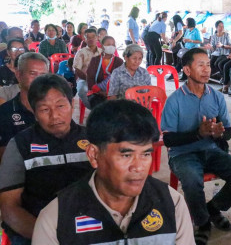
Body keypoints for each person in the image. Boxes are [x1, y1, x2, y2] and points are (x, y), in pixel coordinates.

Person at [32, 99, 195, 244]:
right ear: (94, 155)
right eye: (126, 155)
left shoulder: (172, 204)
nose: (138, 167)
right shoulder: (56, 219)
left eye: (146, 154)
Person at [161, 48, 231, 245]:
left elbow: (228, 131)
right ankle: (203, 222)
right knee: (191, 180)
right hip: (183, 154)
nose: (207, 69)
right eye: (200, 64)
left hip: (211, 150)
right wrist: (198, 133)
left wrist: (219, 133)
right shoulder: (174, 101)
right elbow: (169, 141)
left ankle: (213, 208)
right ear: (187, 70)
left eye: (208, 64)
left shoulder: (216, 97)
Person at [0, 74, 93, 244]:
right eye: (44, 109)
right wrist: (50, 238)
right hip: (36, 228)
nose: (55, 115)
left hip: (90, 226)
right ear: (34, 113)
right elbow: (9, 208)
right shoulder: (20, 145)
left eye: (61, 106)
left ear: (72, 105)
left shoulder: (93, 139)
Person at [0, 52, 49, 160]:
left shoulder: (55, 109)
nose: (38, 79)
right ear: (18, 75)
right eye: (32, 73)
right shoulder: (5, 112)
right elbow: (5, 157)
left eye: (42, 75)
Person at [87, 36, 123, 108]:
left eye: (113, 45)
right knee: (98, 103)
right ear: (102, 47)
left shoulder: (119, 61)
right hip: (97, 92)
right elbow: (90, 79)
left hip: (114, 93)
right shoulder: (95, 60)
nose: (111, 47)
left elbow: (120, 79)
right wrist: (101, 92)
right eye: (108, 45)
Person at [73, 28, 102, 109]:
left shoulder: (102, 52)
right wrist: (89, 80)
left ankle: (106, 110)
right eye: (88, 37)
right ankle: (94, 110)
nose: (91, 39)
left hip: (101, 80)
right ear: (84, 39)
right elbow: (77, 70)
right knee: (82, 89)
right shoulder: (81, 52)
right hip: (84, 79)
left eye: (93, 37)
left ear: (97, 38)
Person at [168, 14, 186, 80]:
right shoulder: (178, 24)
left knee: (177, 58)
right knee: (176, 57)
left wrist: (175, 41)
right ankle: (176, 72)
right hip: (178, 43)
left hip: (179, 44)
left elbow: (180, 33)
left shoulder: (178, 24)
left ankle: (175, 72)